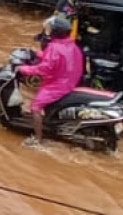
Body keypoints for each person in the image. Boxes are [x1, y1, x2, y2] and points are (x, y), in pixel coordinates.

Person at [17, 14, 84, 147]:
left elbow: (45, 68)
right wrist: (38, 54)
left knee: (35, 106)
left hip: (58, 84)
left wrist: (24, 69)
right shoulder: (72, 45)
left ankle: (37, 139)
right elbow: (59, 59)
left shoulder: (54, 47)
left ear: (55, 31)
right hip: (70, 80)